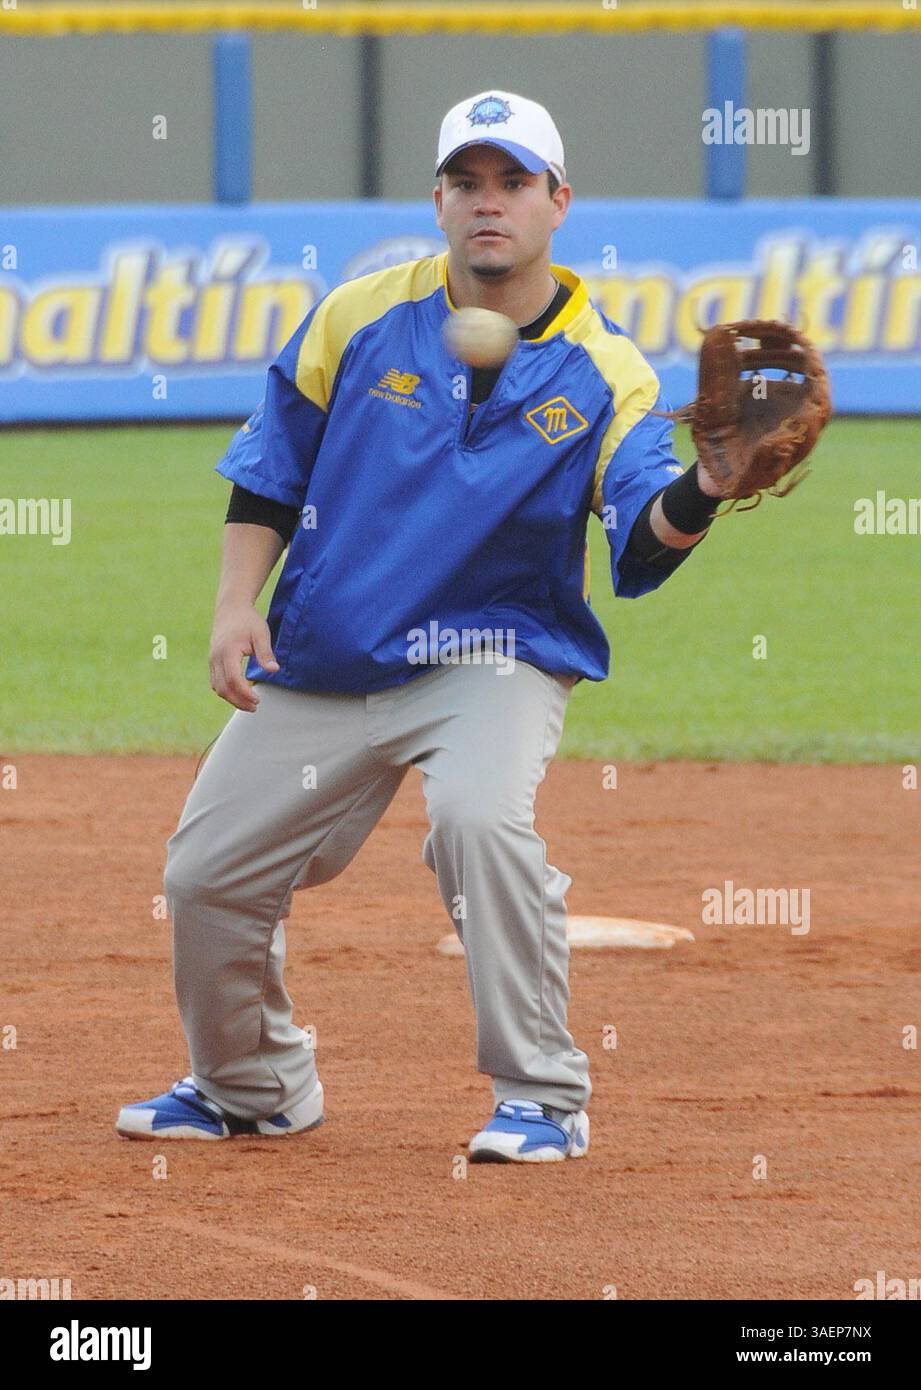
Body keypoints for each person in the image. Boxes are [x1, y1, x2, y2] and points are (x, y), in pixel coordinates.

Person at [116, 90, 723, 1162]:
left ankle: (541, 1096)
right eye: (469, 182)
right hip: (331, 651)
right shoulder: (357, 316)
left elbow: (641, 544)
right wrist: (231, 606)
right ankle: (252, 1085)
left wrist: (711, 483)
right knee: (203, 875)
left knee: (479, 824)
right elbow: (270, 470)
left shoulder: (607, 369)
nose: (490, 204)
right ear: (439, 199)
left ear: (558, 201)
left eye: (514, 183)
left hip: (492, 656)